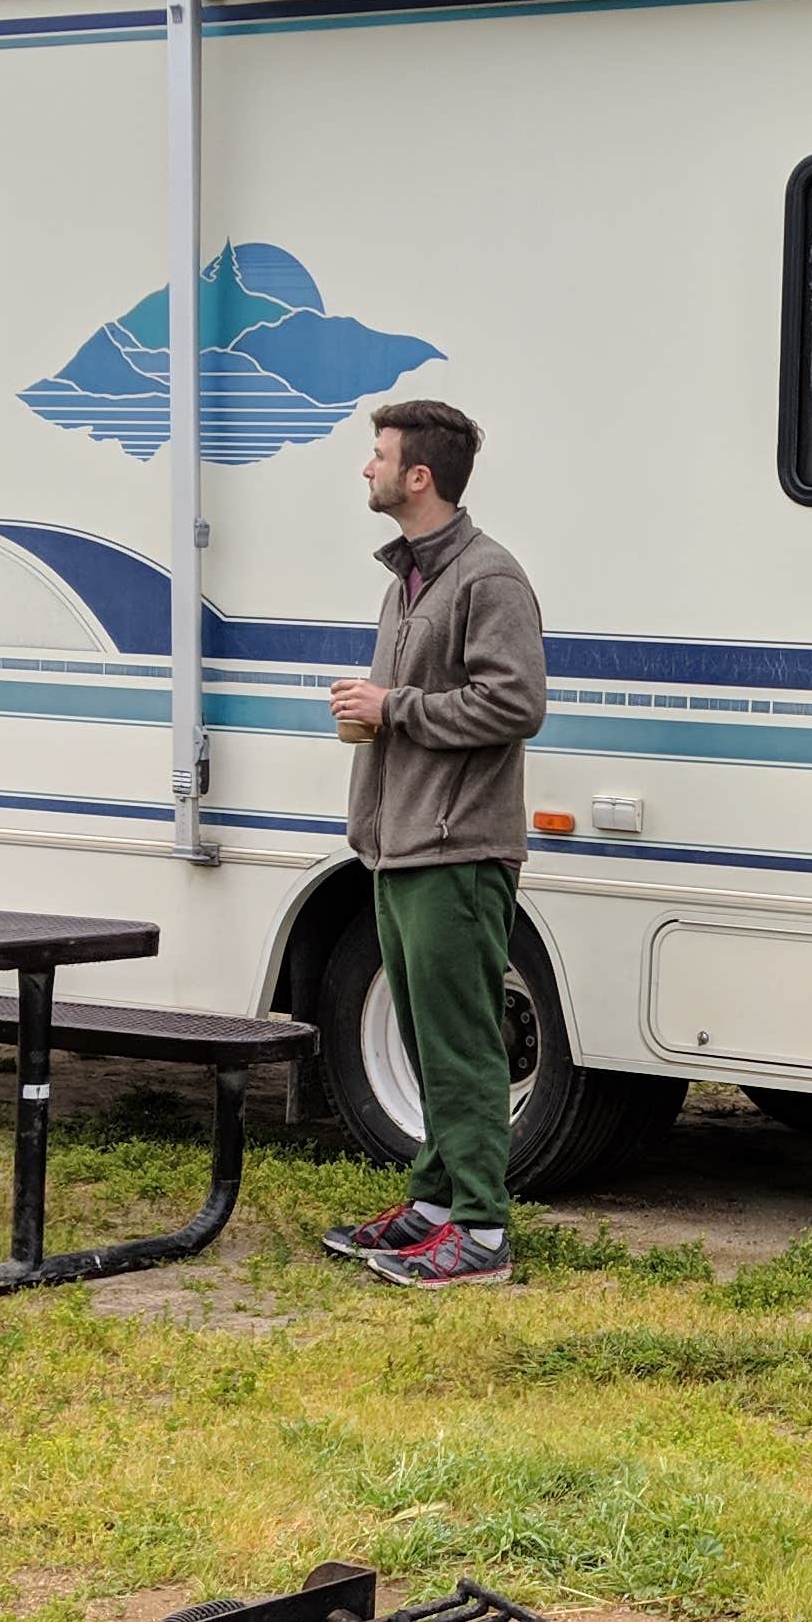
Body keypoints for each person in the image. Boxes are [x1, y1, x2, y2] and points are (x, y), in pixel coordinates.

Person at [320, 399, 546, 1288]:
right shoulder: (408, 580)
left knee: (460, 1046)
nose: (364, 469)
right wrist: (382, 718)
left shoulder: (488, 580)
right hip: (399, 845)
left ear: (420, 476)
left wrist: (395, 709)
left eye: (376, 455)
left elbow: (515, 703)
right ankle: (436, 1208)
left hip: (456, 850)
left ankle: (482, 1236)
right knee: (422, 1039)